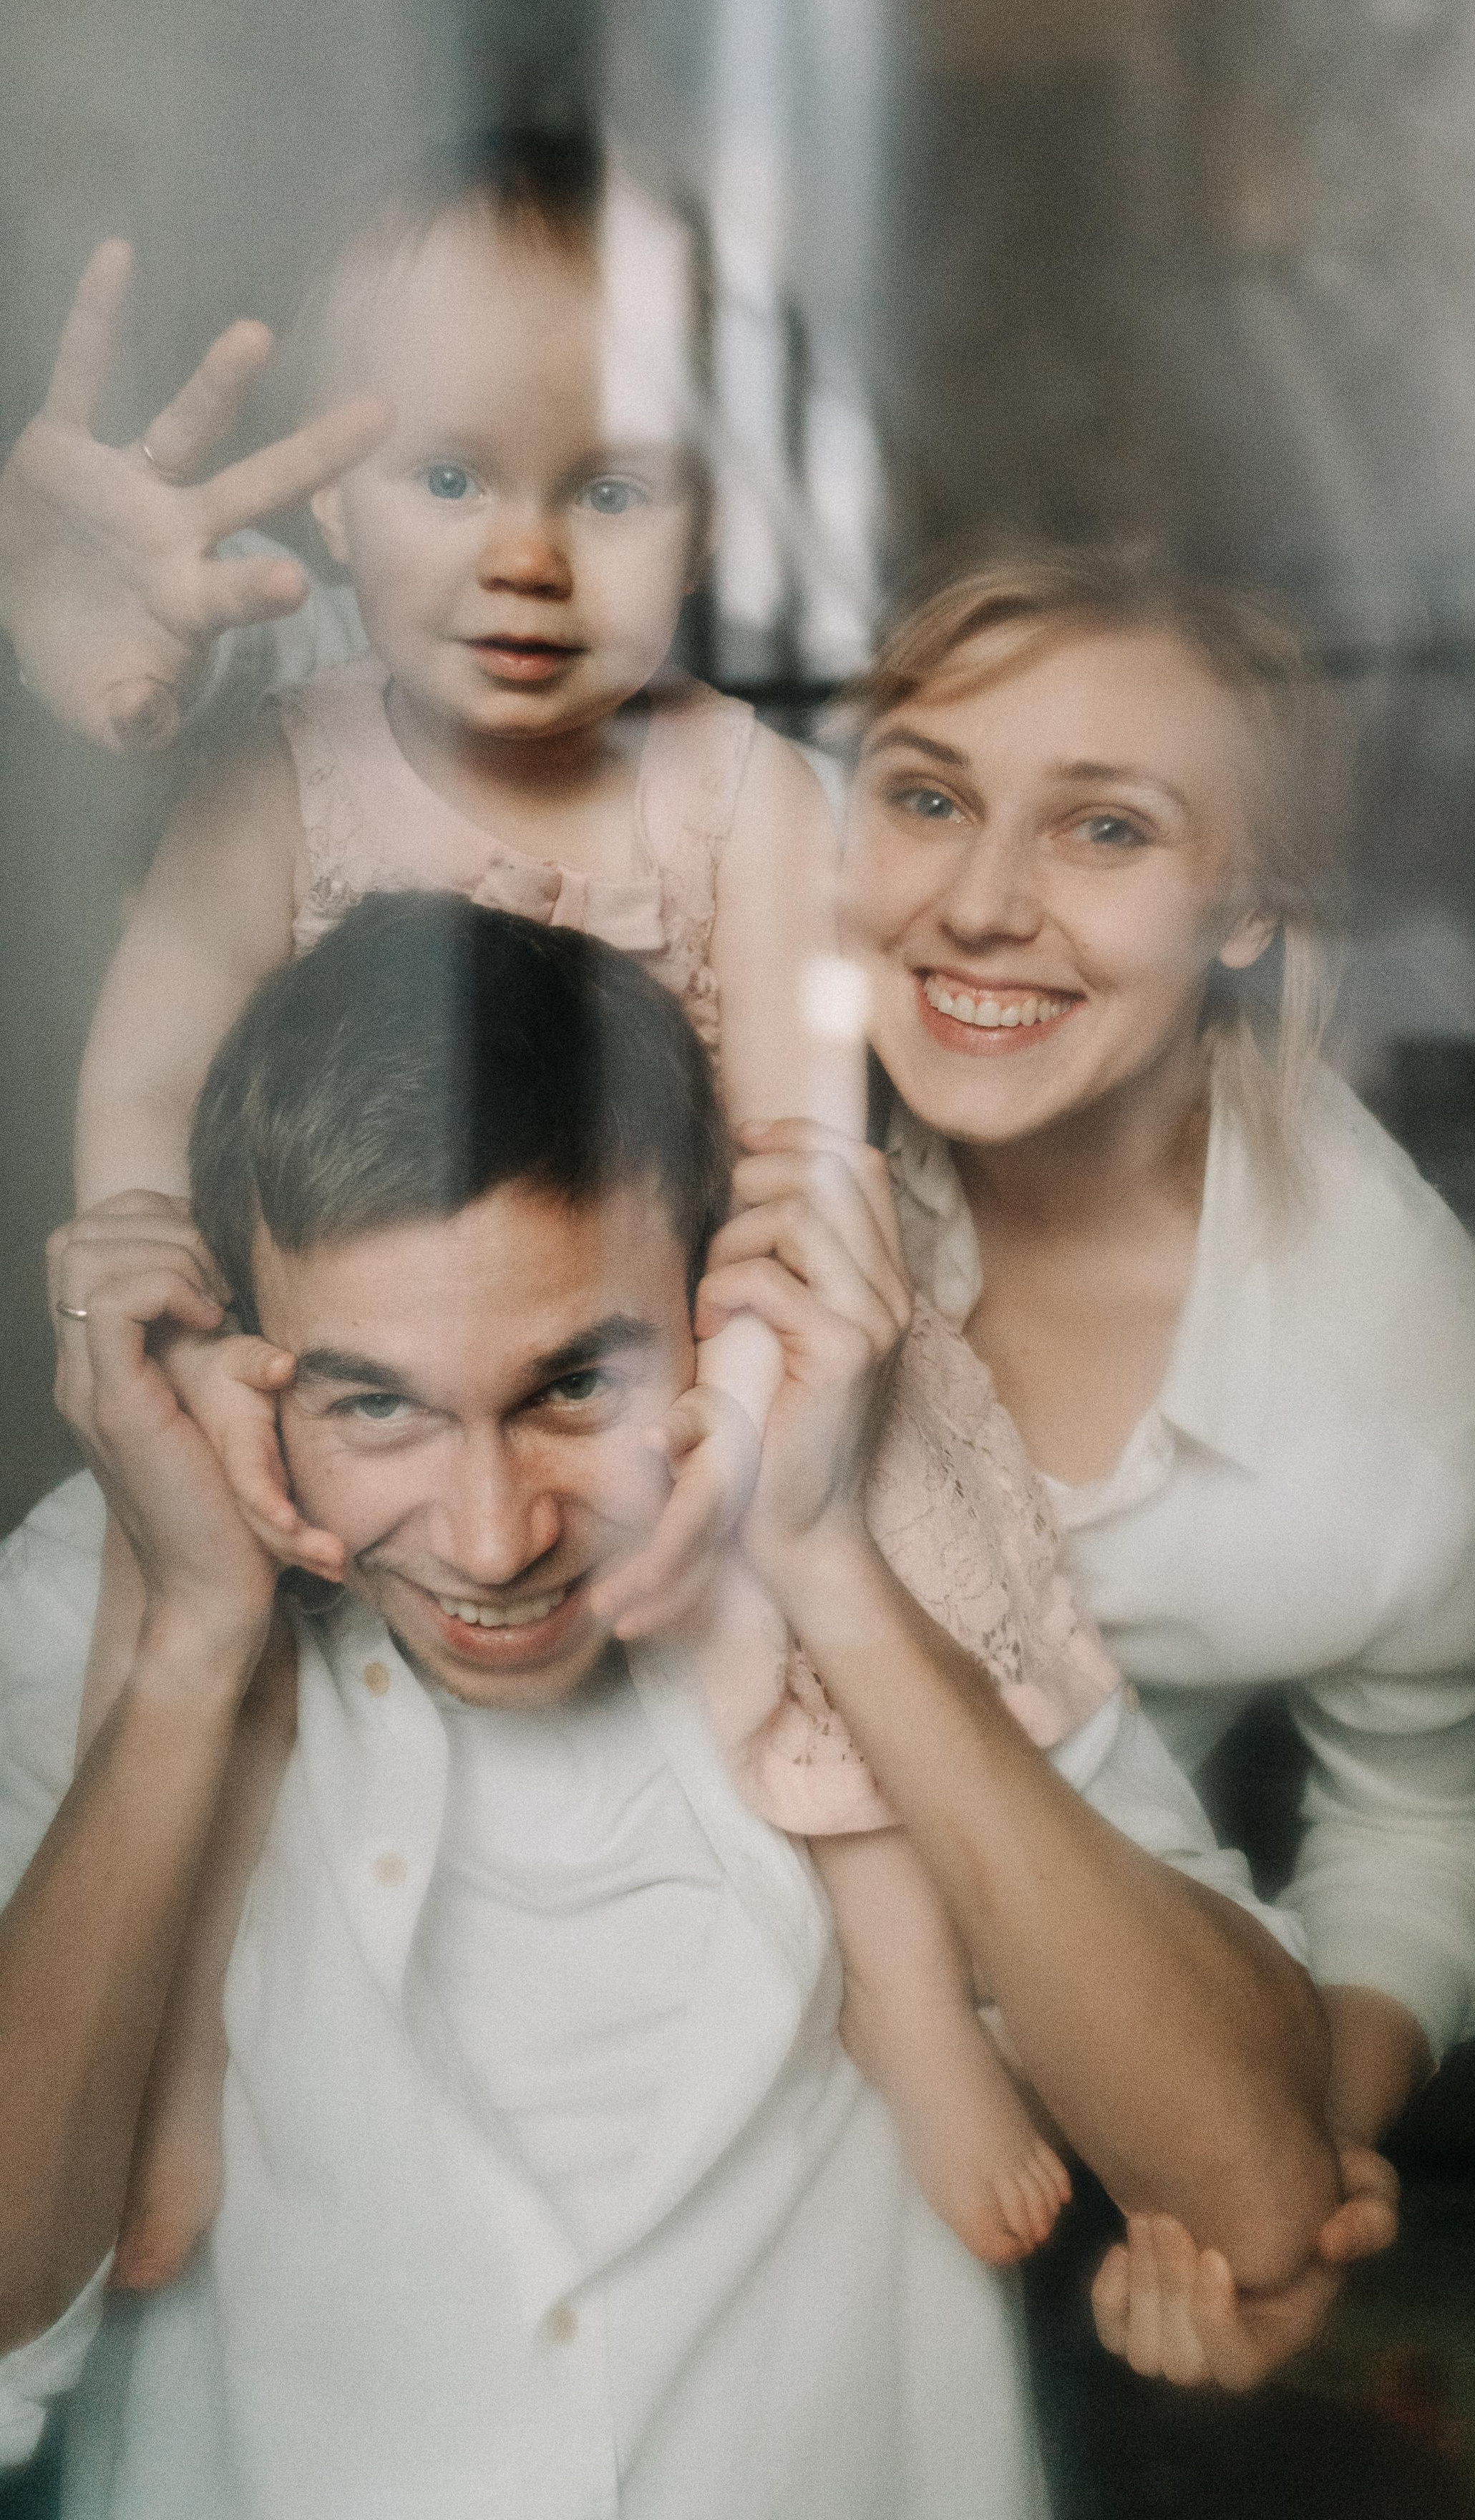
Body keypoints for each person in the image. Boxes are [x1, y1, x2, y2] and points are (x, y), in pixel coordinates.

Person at [59, 130, 1126, 2294]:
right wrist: (149, 1278)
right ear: (330, 507)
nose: (527, 560)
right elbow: (151, 1070)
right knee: (166, 1628)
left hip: (668, 1320)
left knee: (852, 1569)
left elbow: (800, 1137)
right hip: (362, 1359)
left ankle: (899, 1986)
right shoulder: (280, 774)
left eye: (609, 492)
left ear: (711, 520)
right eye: (449, 480)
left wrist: (742, 1402)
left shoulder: (737, 784)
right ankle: (171, 2062)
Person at [0, 893, 1347, 2514]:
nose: (493, 1538)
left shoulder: (898, 1522)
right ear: (239, 1355)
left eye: (574, 1384)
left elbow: (1253, 2188)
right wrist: (192, 1648)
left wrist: (828, 1562)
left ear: (721, 1309)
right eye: (376, 1405)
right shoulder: (101, 1596)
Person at [837, 552, 1475, 2199]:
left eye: (1106, 828)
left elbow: (1419, 1826)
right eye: (928, 799)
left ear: (1252, 909)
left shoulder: (1406, 1406)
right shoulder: (708, 1111)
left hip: (1022, 2127)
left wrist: (1305, 2139)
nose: (978, 903)